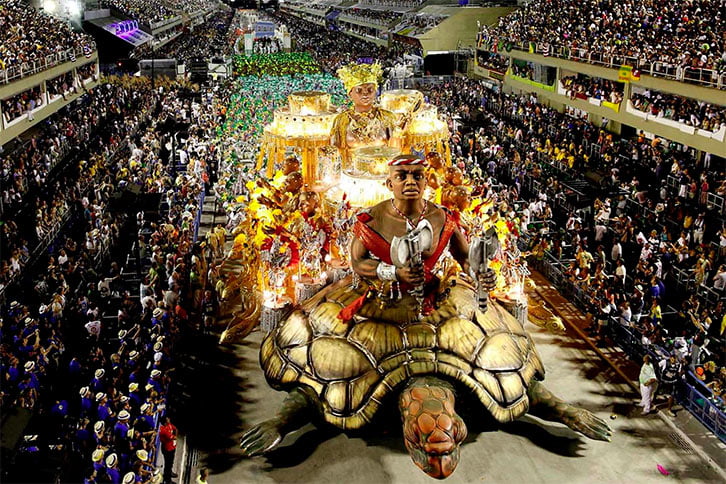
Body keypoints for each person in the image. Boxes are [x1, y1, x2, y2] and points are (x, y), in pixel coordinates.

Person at [330, 62, 397, 167]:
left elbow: (397, 149)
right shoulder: (341, 121)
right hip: (351, 175)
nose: (365, 94)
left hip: (381, 173)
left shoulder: (387, 117)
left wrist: (401, 134)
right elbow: (334, 153)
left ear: (375, 92)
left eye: (370, 89)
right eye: (359, 90)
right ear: (350, 93)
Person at [159, 416, 178, 484]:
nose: (169, 420)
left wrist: (175, 436)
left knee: (171, 462)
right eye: (167, 419)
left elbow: (175, 429)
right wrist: (175, 437)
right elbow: (171, 437)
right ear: (164, 422)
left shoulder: (169, 425)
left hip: (172, 447)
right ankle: (168, 480)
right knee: (168, 465)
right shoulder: (164, 430)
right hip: (167, 449)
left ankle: (170, 472)